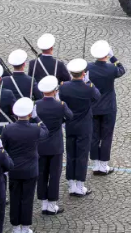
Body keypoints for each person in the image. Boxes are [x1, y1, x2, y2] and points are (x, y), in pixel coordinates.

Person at [1, 98, 48, 233]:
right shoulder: (34, 128)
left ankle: (15, 227)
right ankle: (25, 227)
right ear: (29, 114)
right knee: (27, 199)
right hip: (30, 169)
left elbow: (2, 148)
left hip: (14, 169)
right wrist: (36, 117)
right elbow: (46, 132)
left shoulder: (7, 129)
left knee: (14, 198)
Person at [59, 58, 100, 196]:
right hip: (84, 126)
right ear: (83, 73)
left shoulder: (63, 86)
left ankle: (71, 183)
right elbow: (97, 97)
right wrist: (88, 82)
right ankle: (79, 185)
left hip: (70, 124)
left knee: (70, 154)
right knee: (82, 155)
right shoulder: (88, 88)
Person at [35, 75, 73, 215]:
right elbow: (70, 116)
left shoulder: (36, 105)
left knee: (42, 174)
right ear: (55, 90)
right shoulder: (60, 105)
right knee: (54, 175)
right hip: (55, 145)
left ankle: (44, 203)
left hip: (40, 145)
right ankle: (52, 204)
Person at [87, 40, 125, 176]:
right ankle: (103, 165)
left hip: (93, 106)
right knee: (106, 136)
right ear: (106, 54)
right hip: (108, 107)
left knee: (94, 135)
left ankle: (95, 164)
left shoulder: (88, 67)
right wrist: (113, 57)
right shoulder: (111, 68)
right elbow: (122, 70)